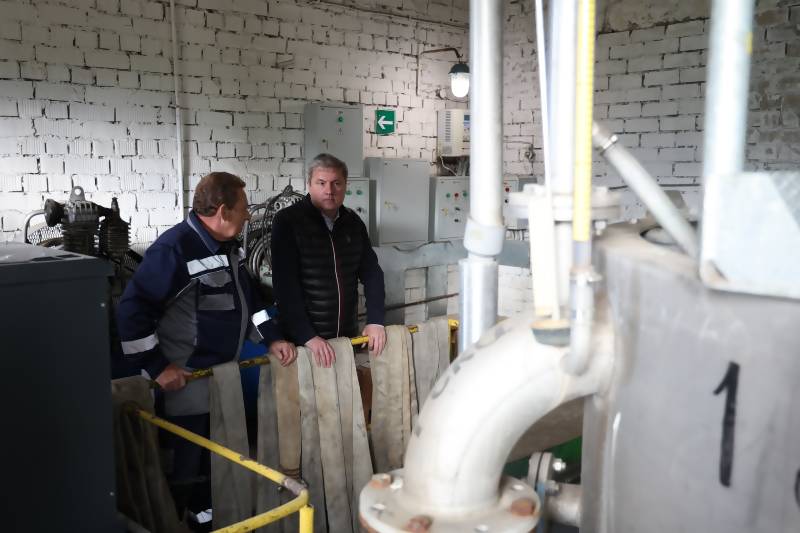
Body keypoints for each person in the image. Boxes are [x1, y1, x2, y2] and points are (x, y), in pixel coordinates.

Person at [116, 171, 296, 525]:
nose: (249, 215)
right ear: (223, 211)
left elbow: (249, 303)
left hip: (220, 377)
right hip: (184, 382)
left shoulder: (229, 248)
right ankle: (178, 522)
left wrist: (272, 338)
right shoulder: (174, 249)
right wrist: (158, 367)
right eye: (244, 208)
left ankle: (210, 520)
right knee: (184, 466)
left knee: (215, 463)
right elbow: (131, 312)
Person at [270, 153, 386, 367]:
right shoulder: (287, 222)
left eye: (336, 183)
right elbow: (285, 287)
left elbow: (372, 273)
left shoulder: (353, 223)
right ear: (309, 184)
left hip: (345, 338)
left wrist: (376, 320)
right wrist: (307, 336)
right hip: (303, 344)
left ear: (346, 185)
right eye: (321, 183)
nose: (329, 190)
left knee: (345, 387)